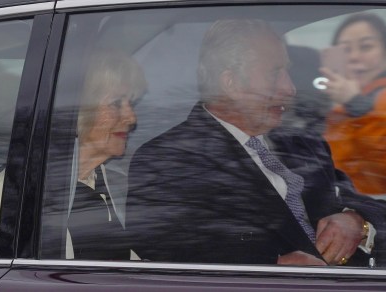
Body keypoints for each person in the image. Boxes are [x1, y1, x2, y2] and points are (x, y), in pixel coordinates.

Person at [126, 19, 386, 266]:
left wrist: (356, 221)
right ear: (231, 84)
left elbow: (366, 202)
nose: (290, 88)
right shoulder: (169, 159)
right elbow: (169, 245)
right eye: (275, 74)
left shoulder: (304, 144)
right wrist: (270, 265)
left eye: (288, 72)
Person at [0, 51, 147, 259]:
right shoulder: (23, 185)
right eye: (116, 104)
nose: (131, 117)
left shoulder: (115, 183)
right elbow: (27, 278)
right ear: (79, 111)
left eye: (132, 103)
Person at [321, 13, 386, 196]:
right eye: (346, 50)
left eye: (366, 47)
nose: (354, 57)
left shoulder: (364, 101)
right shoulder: (339, 106)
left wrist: (356, 105)